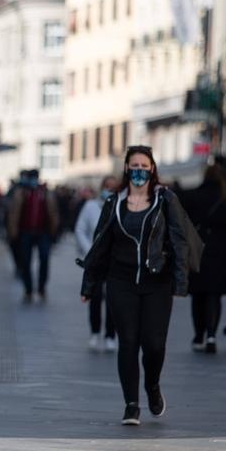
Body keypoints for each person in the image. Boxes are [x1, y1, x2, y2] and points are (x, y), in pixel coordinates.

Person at [79, 145, 192, 426]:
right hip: (121, 281)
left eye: (145, 166)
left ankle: (152, 386)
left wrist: (180, 281)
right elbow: (100, 244)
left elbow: (179, 241)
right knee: (127, 342)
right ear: (126, 169)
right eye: (134, 166)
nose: (139, 171)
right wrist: (89, 284)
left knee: (153, 344)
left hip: (157, 281)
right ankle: (131, 404)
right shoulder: (114, 203)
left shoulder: (165, 200)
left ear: (152, 169)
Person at [181, 165, 226, 353]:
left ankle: (199, 335)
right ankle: (212, 334)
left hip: (198, 247)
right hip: (220, 248)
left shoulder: (194, 195)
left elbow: (183, 219)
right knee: (214, 294)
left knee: (198, 295)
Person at [74, 175, 119, 352]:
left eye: (113, 187)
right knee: (95, 296)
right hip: (96, 259)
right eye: (107, 186)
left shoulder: (122, 206)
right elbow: (80, 229)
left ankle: (110, 335)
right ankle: (95, 332)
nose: (109, 190)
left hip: (115, 259)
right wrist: (89, 251)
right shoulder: (91, 206)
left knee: (113, 299)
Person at [6, 168, 59, 302]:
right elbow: (13, 213)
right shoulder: (21, 192)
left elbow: (53, 212)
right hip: (25, 232)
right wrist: (13, 232)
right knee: (25, 261)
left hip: (43, 232)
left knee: (44, 258)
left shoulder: (45, 192)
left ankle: (41, 288)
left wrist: (54, 232)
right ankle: (28, 289)